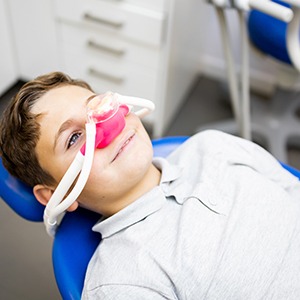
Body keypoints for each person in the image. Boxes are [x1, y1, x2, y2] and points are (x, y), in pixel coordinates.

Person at [1, 71, 300, 299]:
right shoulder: (121, 281)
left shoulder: (212, 146)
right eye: (75, 138)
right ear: (57, 194)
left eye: (98, 107)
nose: (107, 127)